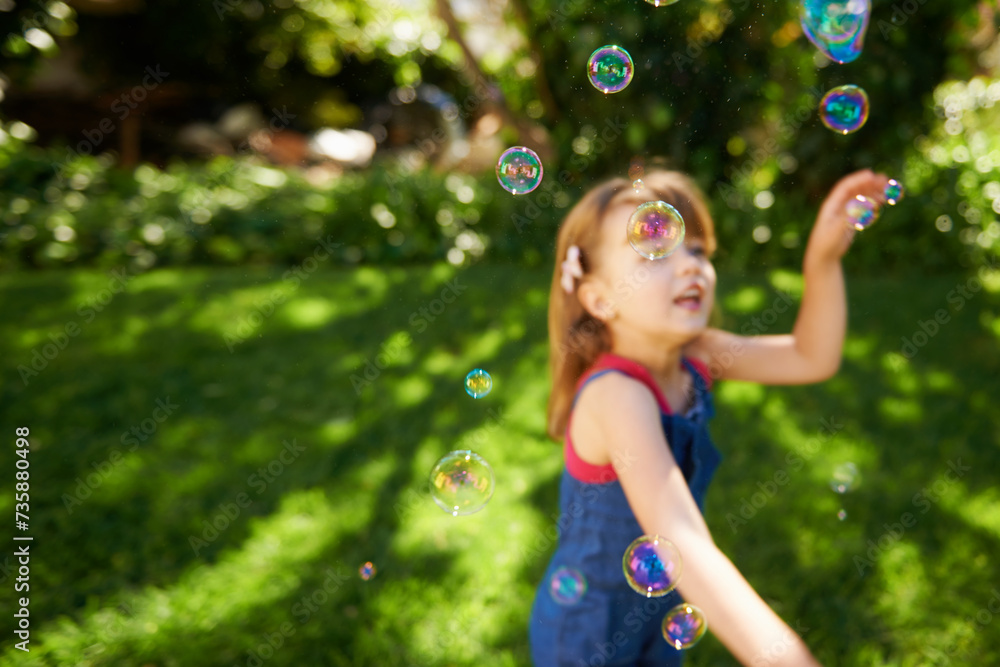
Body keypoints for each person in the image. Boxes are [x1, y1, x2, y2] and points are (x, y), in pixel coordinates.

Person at [528, 168, 890, 666]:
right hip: (588, 630)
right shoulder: (616, 395)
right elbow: (683, 541)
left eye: (696, 250)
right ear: (598, 299)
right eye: (655, 250)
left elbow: (812, 357)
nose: (689, 266)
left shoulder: (697, 354)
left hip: (659, 605)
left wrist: (822, 261)